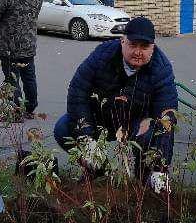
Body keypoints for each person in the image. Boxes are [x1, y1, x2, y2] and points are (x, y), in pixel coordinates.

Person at [54, 16, 177, 193]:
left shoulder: (161, 69)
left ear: (153, 48)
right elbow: (77, 92)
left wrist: (160, 168)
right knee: (63, 127)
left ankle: (145, 181)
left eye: (144, 47)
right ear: (122, 42)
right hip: (101, 118)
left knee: (152, 132)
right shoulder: (102, 55)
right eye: (133, 45)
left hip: (136, 124)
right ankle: (98, 168)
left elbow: (167, 116)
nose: (138, 52)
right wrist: (86, 137)